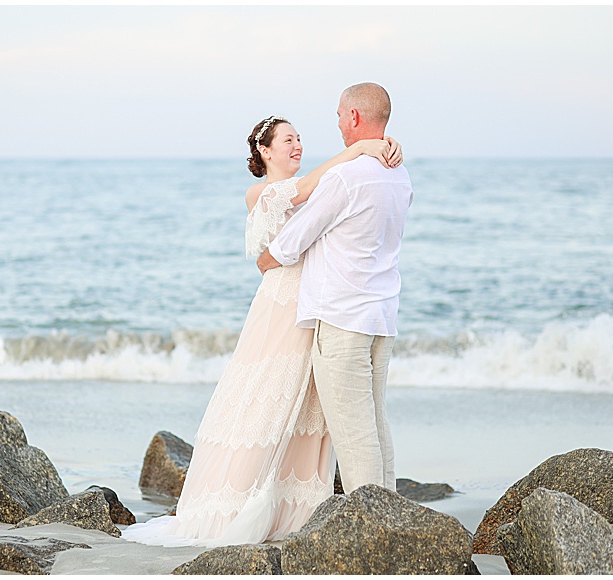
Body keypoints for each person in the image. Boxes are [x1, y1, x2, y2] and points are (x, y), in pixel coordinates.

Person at [121, 115, 402, 547]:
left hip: (314, 306)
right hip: (280, 310)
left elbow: (328, 200)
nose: (296, 145)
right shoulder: (262, 192)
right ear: (265, 151)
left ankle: (300, 507)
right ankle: (240, 503)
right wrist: (361, 148)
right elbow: (304, 191)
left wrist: (377, 148)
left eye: (299, 139)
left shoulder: (321, 186)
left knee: (311, 410)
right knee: (266, 404)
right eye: (287, 140)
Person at [256, 83, 413, 496]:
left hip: (343, 319)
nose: (339, 123)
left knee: (354, 434)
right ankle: (391, 512)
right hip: (381, 317)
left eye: (341, 115)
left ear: (356, 118)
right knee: (377, 424)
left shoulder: (345, 177)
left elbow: (295, 239)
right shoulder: (399, 173)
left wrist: (265, 259)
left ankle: (371, 531)